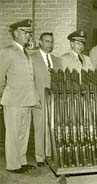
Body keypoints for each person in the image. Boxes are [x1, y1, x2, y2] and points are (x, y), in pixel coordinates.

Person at [0, 19, 40, 173]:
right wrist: (1, 96)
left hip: (26, 99)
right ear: (16, 33)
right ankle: (13, 164)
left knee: (23, 132)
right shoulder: (7, 51)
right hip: (13, 99)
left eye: (29, 32)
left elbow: (29, 78)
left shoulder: (25, 52)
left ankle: (22, 161)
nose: (28, 36)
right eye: (25, 32)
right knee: (13, 133)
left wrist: (34, 98)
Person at [31, 32, 62, 167]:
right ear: (40, 42)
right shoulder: (32, 58)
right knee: (40, 127)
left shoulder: (57, 60)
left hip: (53, 100)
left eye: (51, 42)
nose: (49, 44)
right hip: (39, 98)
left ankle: (49, 154)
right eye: (47, 41)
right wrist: (34, 97)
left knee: (51, 126)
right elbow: (29, 81)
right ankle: (39, 157)